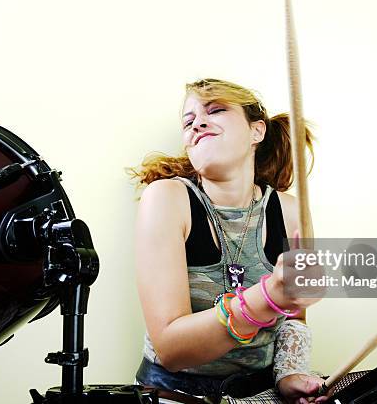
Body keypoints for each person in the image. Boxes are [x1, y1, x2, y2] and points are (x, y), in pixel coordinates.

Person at [130, 78, 326, 404]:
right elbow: (171, 349)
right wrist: (266, 297)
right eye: (188, 121)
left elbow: (293, 318)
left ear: (256, 132)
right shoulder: (167, 198)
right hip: (175, 396)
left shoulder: (290, 210)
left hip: (261, 394)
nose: (198, 124)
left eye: (216, 110)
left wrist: (289, 375)